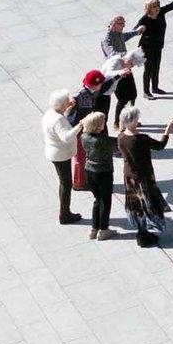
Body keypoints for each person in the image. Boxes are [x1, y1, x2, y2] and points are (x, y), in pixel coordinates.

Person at [117, 107, 173, 246]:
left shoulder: (121, 137)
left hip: (129, 176)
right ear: (134, 120)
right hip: (144, 177)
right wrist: (168, 129)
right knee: (147, 204)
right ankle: (144, 235)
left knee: (136, 205)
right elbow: (160, 146)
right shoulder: (141, 138)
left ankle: (142, 233)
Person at [42, 90, 82, 224]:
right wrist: (80, 126)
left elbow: (60, 119)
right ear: (61, 104)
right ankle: (64, 214)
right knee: (66, 183)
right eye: (67, 101)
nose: (70, 101)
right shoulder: (58, 119)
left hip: (55, 152)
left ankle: (65, 212)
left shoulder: (51, 113)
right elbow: (66, 137)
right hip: (61, 155)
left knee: (64, 182)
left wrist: (68, 108)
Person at [79, 111, 118, 239]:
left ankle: (94, 229)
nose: (104, 123)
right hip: (104, 172)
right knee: (105, 201)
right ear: (97, 126)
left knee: (97, 200)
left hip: (89, 171)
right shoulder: (103, 140)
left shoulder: (84, 136)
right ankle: (104, 230)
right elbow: (119, 143)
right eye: (102, 122)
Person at [135, 0, 173, 97]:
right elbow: (136, 29)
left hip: (158, 45)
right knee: (148, 69)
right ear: (149, 8)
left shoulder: (160, 13)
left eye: (158, 5)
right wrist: (140, 28)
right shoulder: (145, 19)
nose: (158, 7)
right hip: (147, 47)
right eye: (155, 6)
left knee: (156, 67)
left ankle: (155, 88)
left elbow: (171, 6)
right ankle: (146, 92)